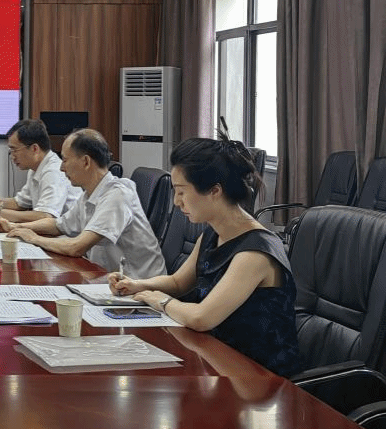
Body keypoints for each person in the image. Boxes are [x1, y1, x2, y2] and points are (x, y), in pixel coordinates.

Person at [108, 136, 302, 378]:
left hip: (258, 378)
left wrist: (159, 301)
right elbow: (178, 282)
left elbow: (202, 318)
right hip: (217, 359)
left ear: (215, 191)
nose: (176, 202)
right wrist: (138, 285)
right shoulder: (212, 234)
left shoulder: (256, 251)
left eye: (181, 192)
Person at [0, 128, 165, 278]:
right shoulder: (88, 195)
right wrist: (14, 227)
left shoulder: (117, 194)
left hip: (141, 287)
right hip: (108, 280)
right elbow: (58, 225)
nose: (61, 168)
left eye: (65, 160)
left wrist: (34, 238)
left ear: (86, 162)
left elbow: (77, 247)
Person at [0, 118, 78, 226]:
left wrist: (1, 214)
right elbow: (19, 203)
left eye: (14, 150)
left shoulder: (53, 172)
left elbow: (45, 215)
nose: (12, 156)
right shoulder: (36, 168)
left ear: (34, 148)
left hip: (65, 237)